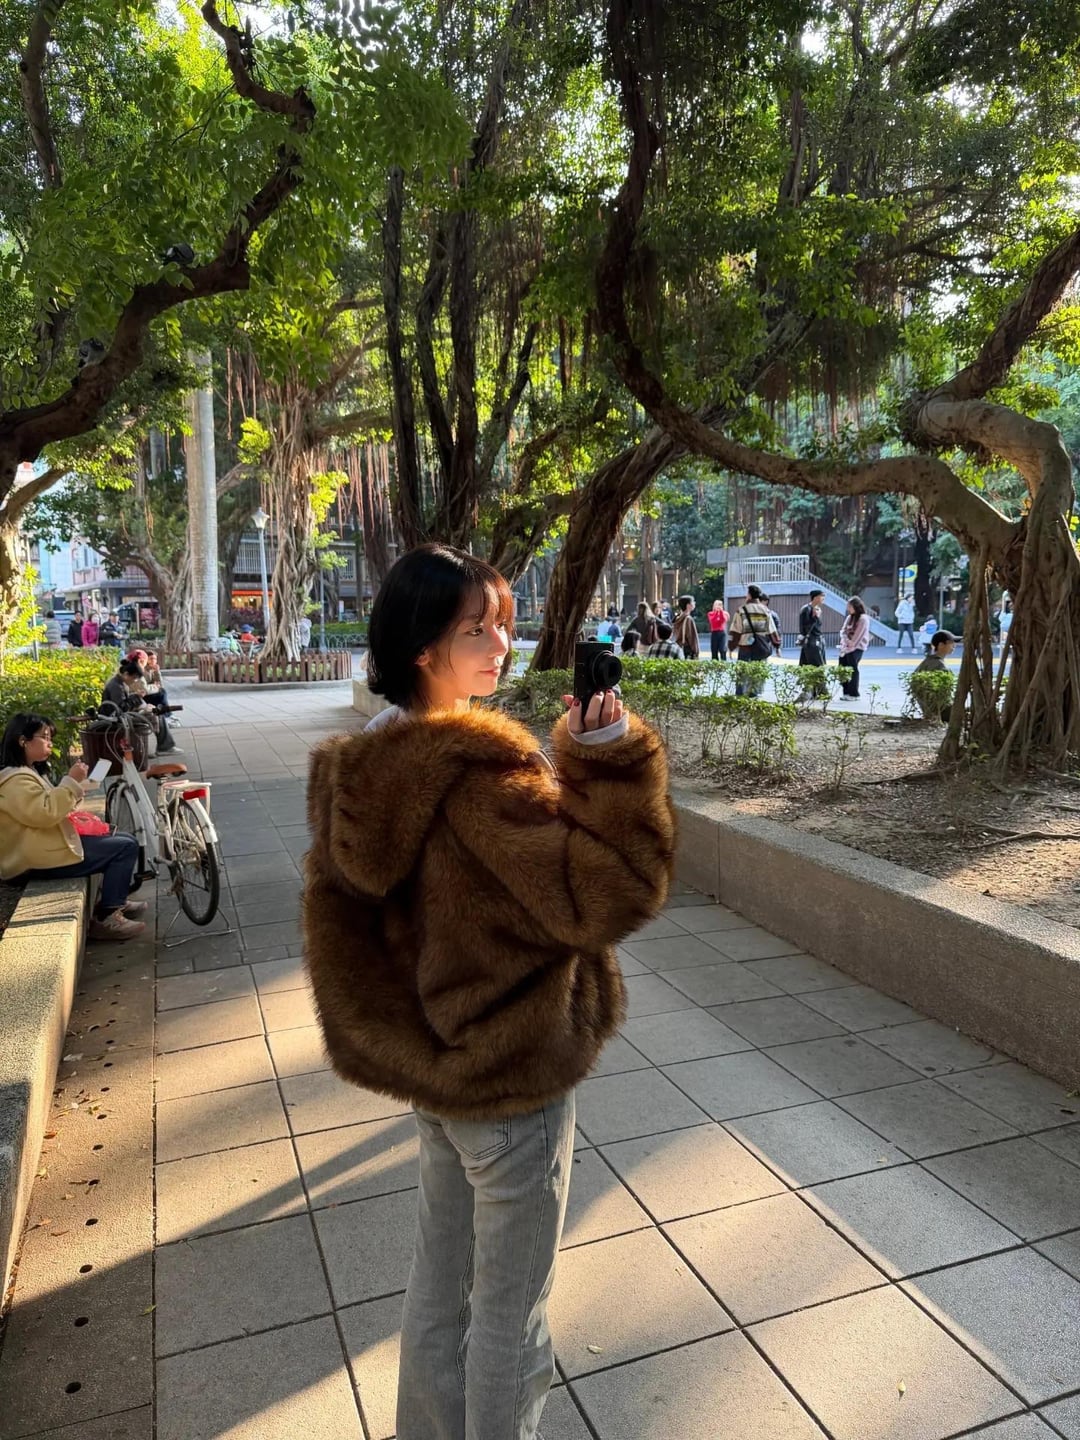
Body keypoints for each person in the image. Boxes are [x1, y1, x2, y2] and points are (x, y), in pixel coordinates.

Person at [302, 543, 674, 1440]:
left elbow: (344, 935)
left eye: (503, 622)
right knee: (512, 1315)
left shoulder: (365, 769)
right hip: (511, 1075)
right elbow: (610, 891)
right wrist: (610, 764)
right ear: (423, 647)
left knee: (440, 1294)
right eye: (477, 629)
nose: (502, 644)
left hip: (439, 1076)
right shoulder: (478, 780)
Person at [0, 713, 146, 941]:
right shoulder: (14, 780)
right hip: (34, 859)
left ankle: (114, 900)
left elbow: (48, 808)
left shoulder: (26, 773)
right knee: (123, 847)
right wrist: (71, 781)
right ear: (23, 741)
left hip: (43, 848)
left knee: (125, 839)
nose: (50, 743)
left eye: (50, 738)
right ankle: (107, 916)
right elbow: (45, 813)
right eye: (44, 737)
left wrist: (74, 787)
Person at [728, 585, 779, 696]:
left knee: (742, 674)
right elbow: (772, 630)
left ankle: (740, 696)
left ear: (749, 595)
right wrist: (777, 646)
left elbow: (736, 631)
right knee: (756, 674)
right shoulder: (765, 610)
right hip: (760, 648)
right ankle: (753, 697)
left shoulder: (741, 610)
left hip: (745, 648)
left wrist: (731, 647)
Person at [837, 596, 870, 698]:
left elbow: (858, 635)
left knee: (852, 669)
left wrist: (851, 643)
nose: (848, 608)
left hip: (857, 647)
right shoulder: (849, 617)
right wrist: (846, 641)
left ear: (856, 606)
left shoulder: (863, 619)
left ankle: (854, 693)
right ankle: (846, 691)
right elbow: (843, 631)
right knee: (842, 668)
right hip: (845, 647)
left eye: (850, 606)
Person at [798, 590, 826, 668]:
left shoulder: (818, 609)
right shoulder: (806, 609)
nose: (823, 598)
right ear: (815, 597)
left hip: (818, 639)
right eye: (822, 596)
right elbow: (804, 628)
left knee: (815, 664)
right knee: (816, 665)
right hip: (811, 641)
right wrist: (815, 617)